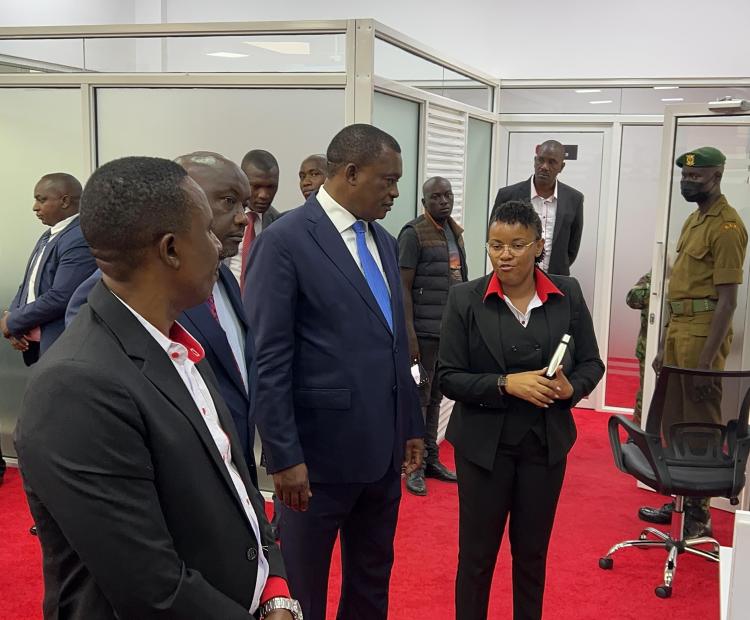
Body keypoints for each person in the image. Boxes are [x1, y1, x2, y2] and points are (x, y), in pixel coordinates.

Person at [15, 156, 300, 620]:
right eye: (208, 231)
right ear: (170, 250)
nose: (222, 245)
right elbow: (151, 588)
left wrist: (277, 593)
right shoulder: (77, 387)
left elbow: (237, 486)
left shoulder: (174, 343)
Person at [245, 124, 424, 620]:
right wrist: (283, 457)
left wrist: (409, 424)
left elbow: (394, 343)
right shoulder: (284, 243)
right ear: (349, 173)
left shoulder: (384, 242)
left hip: (383, 455)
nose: (394, 192)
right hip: (315, 462)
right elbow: (269, 358)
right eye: (386, 180)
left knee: (371, 582)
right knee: (303, 588)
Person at [439, 200, 604, 620]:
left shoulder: (567, 293)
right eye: (495, 245)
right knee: (476, 558)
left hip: (544, 445)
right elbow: (448, 377)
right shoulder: (465, 298)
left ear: (538, 246)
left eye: (516, 244)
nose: (504, 254)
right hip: (482, 449)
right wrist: (504, 383)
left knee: (531, 557)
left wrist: (572, 389)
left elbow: (591, 363)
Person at [66, 152, 261, 486]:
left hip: (232, 465)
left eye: (244, 205)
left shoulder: (225, 279)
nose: (243, 219)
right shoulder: (113, 293)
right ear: (188, 203)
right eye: (229, 201)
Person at [638, 147, 747, 539]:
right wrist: (665, 345)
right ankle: (680, 498)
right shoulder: (692, 221)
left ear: (716, 175)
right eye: (684, 177)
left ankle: (700, 517)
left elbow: (729, 301)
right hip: (680, 327)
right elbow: (676, 293)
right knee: (674, 421)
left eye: (695, 177)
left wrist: (705, 363)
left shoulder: (728, 227)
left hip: (704, 333)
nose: (687, 182)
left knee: (700, 424)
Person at [398, 176, 467, 495]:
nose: (444, 201)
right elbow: (403, 289)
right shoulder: (414, 234)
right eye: (436, 197)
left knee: (437, 397)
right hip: (422, 335)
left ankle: (431, 459)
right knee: (418, 398)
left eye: (448, 195)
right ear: (424, 203)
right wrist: (409, 334)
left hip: (448, 332)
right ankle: (413, 467)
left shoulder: (454, 231)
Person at [1, 173, 96, 366]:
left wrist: (13, 322)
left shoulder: (79, 237)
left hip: (61, 347)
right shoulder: (50, 234)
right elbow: (29, 284)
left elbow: (61, 296)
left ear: (65, 201)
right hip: (38, 347)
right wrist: (11, 319)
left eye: (41, 200)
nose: (35, 207)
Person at [492, 140, 583, 275]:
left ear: (561, 167)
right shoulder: (508, 195)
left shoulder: (574, 199)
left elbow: (572, 248)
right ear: (535, 161)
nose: (544, 166)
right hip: (513, 277)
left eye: (552, 162)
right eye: (541, 160)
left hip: (555, 279)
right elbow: (494, 238)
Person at [226, 149, 283, 288]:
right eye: (256, 186)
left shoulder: (280, 225)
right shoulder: (222, 217)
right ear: (242, 181)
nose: (264, 195)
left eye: (270, 187)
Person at [625, 270, 651, 426]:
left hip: (678, 343)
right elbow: (632, 298)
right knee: (646, 391)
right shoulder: (656, 274)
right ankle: (639, 433)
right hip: (648, 347)